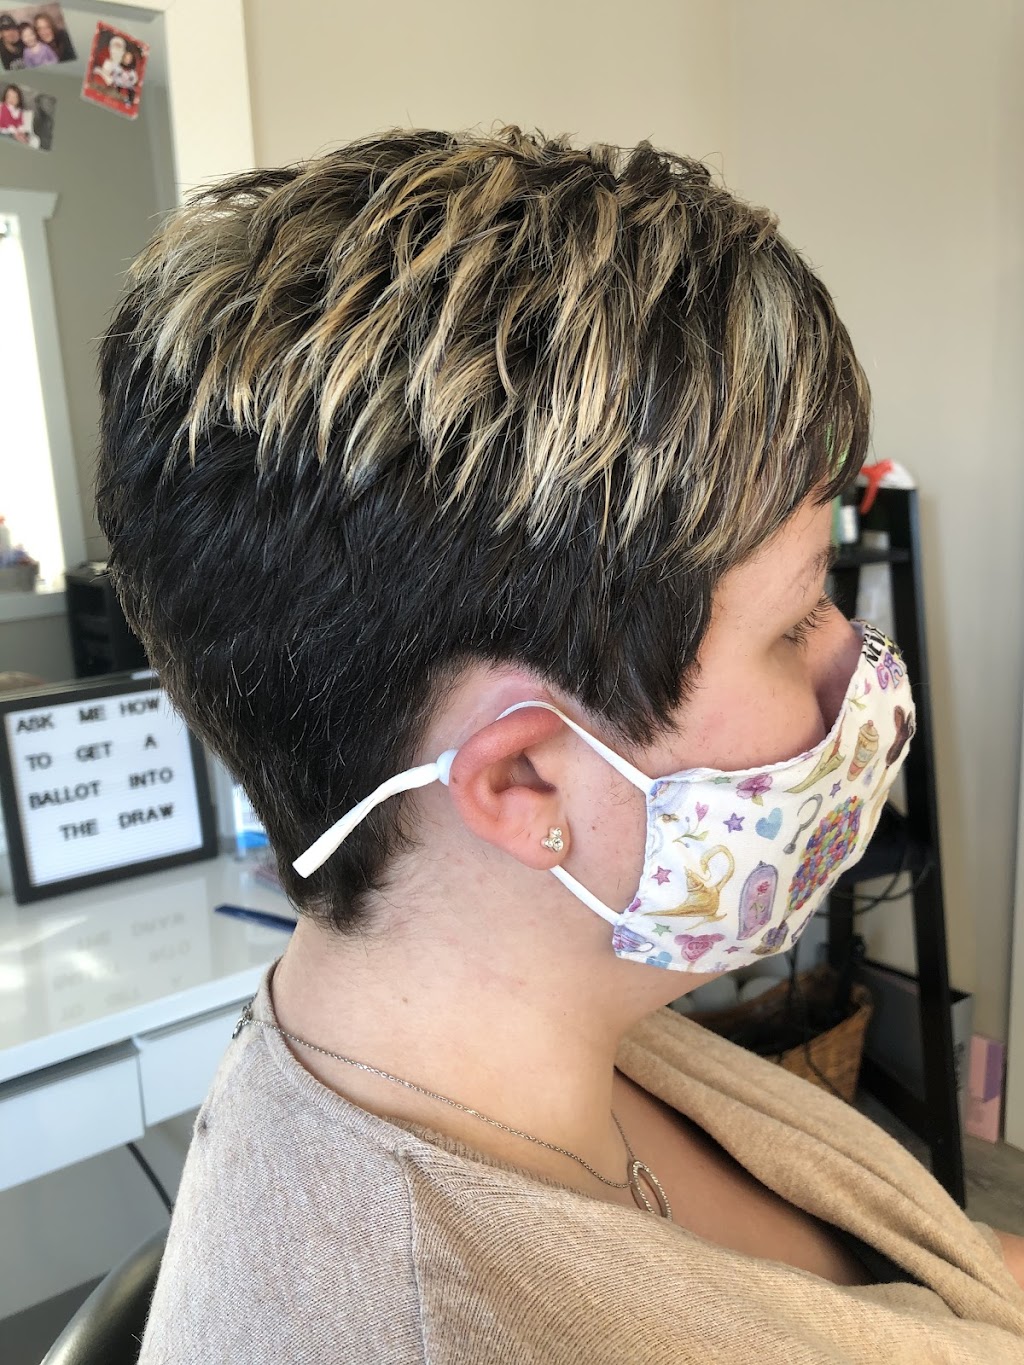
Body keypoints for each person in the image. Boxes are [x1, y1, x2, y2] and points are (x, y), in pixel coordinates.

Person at [96, 128, 1024, 1363]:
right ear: (525, 780)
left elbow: (934, 1296)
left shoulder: (545, 1028)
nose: (854, 661)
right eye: (799, 613)